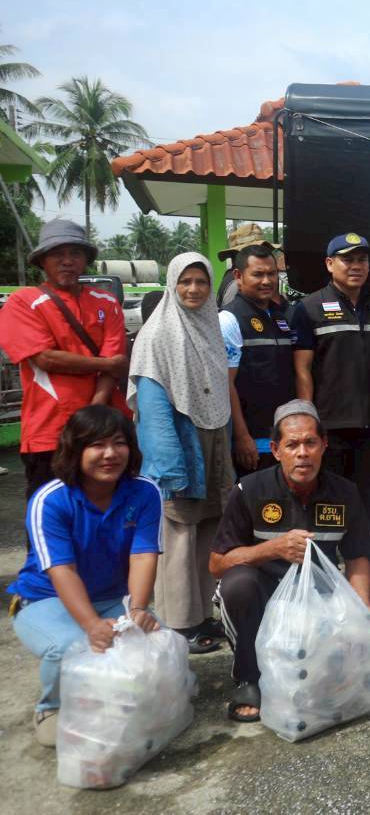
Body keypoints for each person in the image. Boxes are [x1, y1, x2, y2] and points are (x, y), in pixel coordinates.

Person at [210, 401, 370, 722]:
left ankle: (338, 677)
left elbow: (357, 559)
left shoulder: (344, 492)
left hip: (321, 594)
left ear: (323, 445)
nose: (302, 453)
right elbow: (217, 564)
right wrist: (272, 549)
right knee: (237, 585)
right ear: (275, 450)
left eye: (310, 443)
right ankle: (249, 678)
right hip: (266, 594)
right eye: (292, 444)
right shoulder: (249, 490)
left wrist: (364, 614)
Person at [8, 406, 162, 747]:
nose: (109, 454)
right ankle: (51, 707)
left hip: (111, 596)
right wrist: (91, 625)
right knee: (69, 646)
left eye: (119, 443)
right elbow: (62, 570)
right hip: (44, 599)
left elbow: (143, 554)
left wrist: (137, 609)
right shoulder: (50, 500)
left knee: (151, 636)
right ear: (75, 451)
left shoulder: (144, 492)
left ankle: (111, 697)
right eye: (96, 445)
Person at [128, 252, 234, 655]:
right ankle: (178, 620)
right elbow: (153, 413)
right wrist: (170, 470)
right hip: (179, 448)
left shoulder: (208, 330)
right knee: (178, 535)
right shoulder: (157, 337)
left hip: (213, 442)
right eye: (185, 282)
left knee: (209, 530)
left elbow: (220, 392)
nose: (193, 289)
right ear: (172, 285)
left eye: (201, 282)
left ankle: (202, 613)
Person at [291, 233, 370, 579]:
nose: (356, 266)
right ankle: (325, 566)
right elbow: (301, 368)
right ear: (329, 264)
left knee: (365, 501)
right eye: (347, 259)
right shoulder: (308, 308)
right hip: (329, 424)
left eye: (362, 260)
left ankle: (363, 562)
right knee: (328, 498)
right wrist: (309, 418)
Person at [0, 219, 128, 501]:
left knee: (108, 517)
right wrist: (104, 365)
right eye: (58, 254)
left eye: (75, 253)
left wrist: (92, 417)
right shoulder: (23, 302)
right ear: (43, 260)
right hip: (50, 432)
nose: (67, 261)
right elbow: (45, 359)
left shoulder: (106, 301)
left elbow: (114, 359)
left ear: (85, 260)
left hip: (104, 430)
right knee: (50, 516)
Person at [220, 242, 295, 479]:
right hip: (251, 442)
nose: (266, 281)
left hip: (282, 438)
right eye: (258, 274)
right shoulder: (229, 319)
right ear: (238, 276)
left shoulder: (282, 318)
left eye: (271, 274)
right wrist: (242, 437)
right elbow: (226, 383)